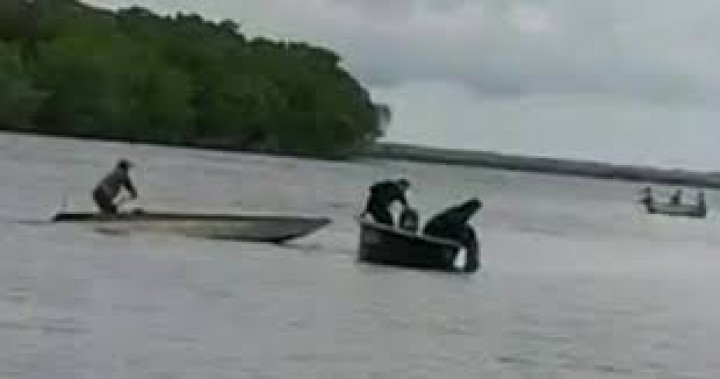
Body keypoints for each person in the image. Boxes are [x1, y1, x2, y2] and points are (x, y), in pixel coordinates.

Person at [423, 198, 482, 272]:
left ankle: (469, 262)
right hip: (437, 233)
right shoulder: (456, 214)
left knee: (467, 239)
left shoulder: (458, 214)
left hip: (440, 232)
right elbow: (449, 223)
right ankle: (447, 262)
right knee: (462, 241)